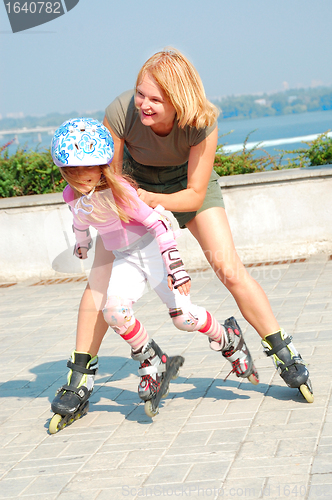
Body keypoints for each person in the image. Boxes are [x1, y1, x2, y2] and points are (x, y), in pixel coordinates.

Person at [100, 47, 313, 403]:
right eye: (140, 93)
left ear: (179, 100)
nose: (143, 104)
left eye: (155, 99)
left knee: (229, 269)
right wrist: (136, 203)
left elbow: (195, 195)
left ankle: (282, 349)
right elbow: (113, 179)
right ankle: (81, 374)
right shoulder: (121, 112)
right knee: (101, 275)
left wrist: (155, 200)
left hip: (186, 183)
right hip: (134, 182)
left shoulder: (200, 123)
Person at [49, 117, 259, 432]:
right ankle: (151, 359)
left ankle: (228, 339)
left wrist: (176, 267)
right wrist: (81, 243)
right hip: (126, 259)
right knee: (114, 312)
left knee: (184, 319)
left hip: (154, 253)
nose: (79, 178)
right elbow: (80, 218)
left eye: (86, 169)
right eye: (71, 171)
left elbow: (159, 224)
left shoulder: (121, 192)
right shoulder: (72, 194)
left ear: (103, 166)